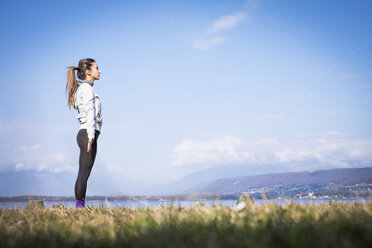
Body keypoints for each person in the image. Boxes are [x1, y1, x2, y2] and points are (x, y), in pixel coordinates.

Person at [65, 58, 102, 208]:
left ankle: (80, 206)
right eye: (96, 68)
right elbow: (89, 112)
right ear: (88, 72)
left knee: (83, 173)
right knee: (83, 174)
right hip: (87, 133)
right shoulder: (86, 89)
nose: (99, 71)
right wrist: (91, 135)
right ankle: (80, 208)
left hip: (85, 132)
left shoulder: (82, 89)